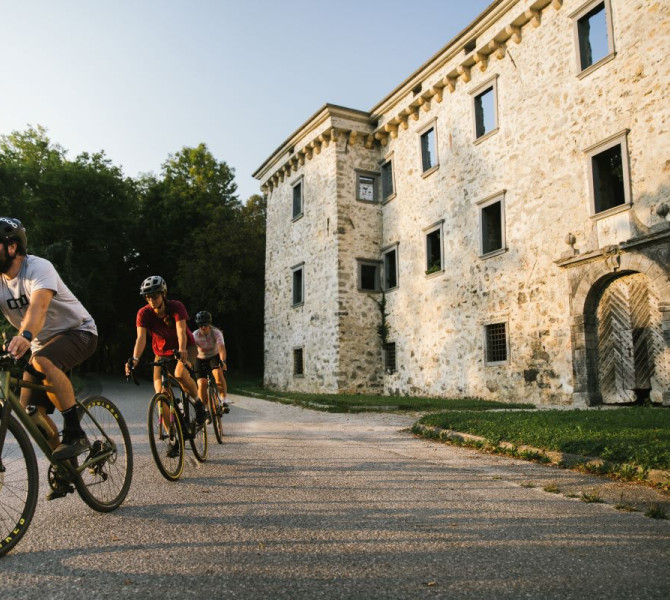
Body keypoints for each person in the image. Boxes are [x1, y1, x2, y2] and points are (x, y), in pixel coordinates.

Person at [0, 217, 98, 466]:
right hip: (41, 345)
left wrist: (24, 336)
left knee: (42, 360)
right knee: (29, 414)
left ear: (12, 247)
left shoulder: (38, 267)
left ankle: (75, 433)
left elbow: (38, 309)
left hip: (79, 331)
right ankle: (66, 467)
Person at [125, 275, 207, 424]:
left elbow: (181, 331)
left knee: (180, 374)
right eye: (147, 297)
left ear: (163, 294)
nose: (151, 300)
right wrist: (135, 359)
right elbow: (141, 338)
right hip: (161, 353)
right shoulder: (143, 313)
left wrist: (182, 349)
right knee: (160, 394)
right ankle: (173, 439)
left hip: (187, 347)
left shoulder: (176, 307)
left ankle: (198, 404)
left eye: (154, 296)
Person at [192, 310, 229, 416]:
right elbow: (192, 350)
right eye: (201, 325)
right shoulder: (195, 335)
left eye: (206, 324)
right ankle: (207, 409)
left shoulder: (216, 333)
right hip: (200, 358)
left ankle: (223, 400)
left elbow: (221, 348)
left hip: (214, 356)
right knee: (201, 384)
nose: (203, 327)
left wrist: (223, 361)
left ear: (209, 324)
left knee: (218, 374)